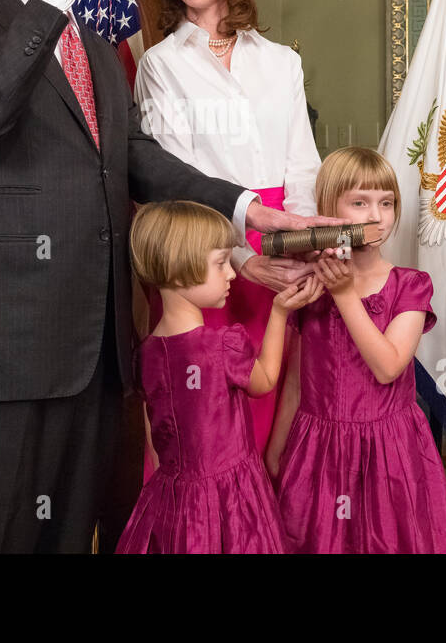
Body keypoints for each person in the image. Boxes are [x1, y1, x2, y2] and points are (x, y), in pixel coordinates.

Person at [0, 0, 319, 553]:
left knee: (71, 532)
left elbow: (139, 159)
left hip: (96, 347)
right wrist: (48, 0)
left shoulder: (99, 51)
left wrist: (247, 207)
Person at [133, 0, 323, 463]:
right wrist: (241, 259)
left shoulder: (282, 62)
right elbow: (179, 178)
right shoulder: (160, 63)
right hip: (201, 254)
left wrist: (303, 247)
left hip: (283, 245)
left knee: (273, 414)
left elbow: (303, 166)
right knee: (210, 431)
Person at [268, 147, 446, 553]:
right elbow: (295, 379)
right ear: (329, 212)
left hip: (389, 452)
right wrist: (276, 448)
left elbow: (388, 366)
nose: (375, 215)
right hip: (318, 449)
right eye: (359, 202)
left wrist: (344, 295)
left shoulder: (410, 285)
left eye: (386, 203)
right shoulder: (311, 285)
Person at [116, 202, 321, 553]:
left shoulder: (145, 353)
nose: (231, 273)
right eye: (220, 262)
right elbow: (265, 380)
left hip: (171, 498)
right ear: (181, 271)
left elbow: (153, 440)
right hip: (232, 499)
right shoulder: (221, 345)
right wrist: (279, 310)